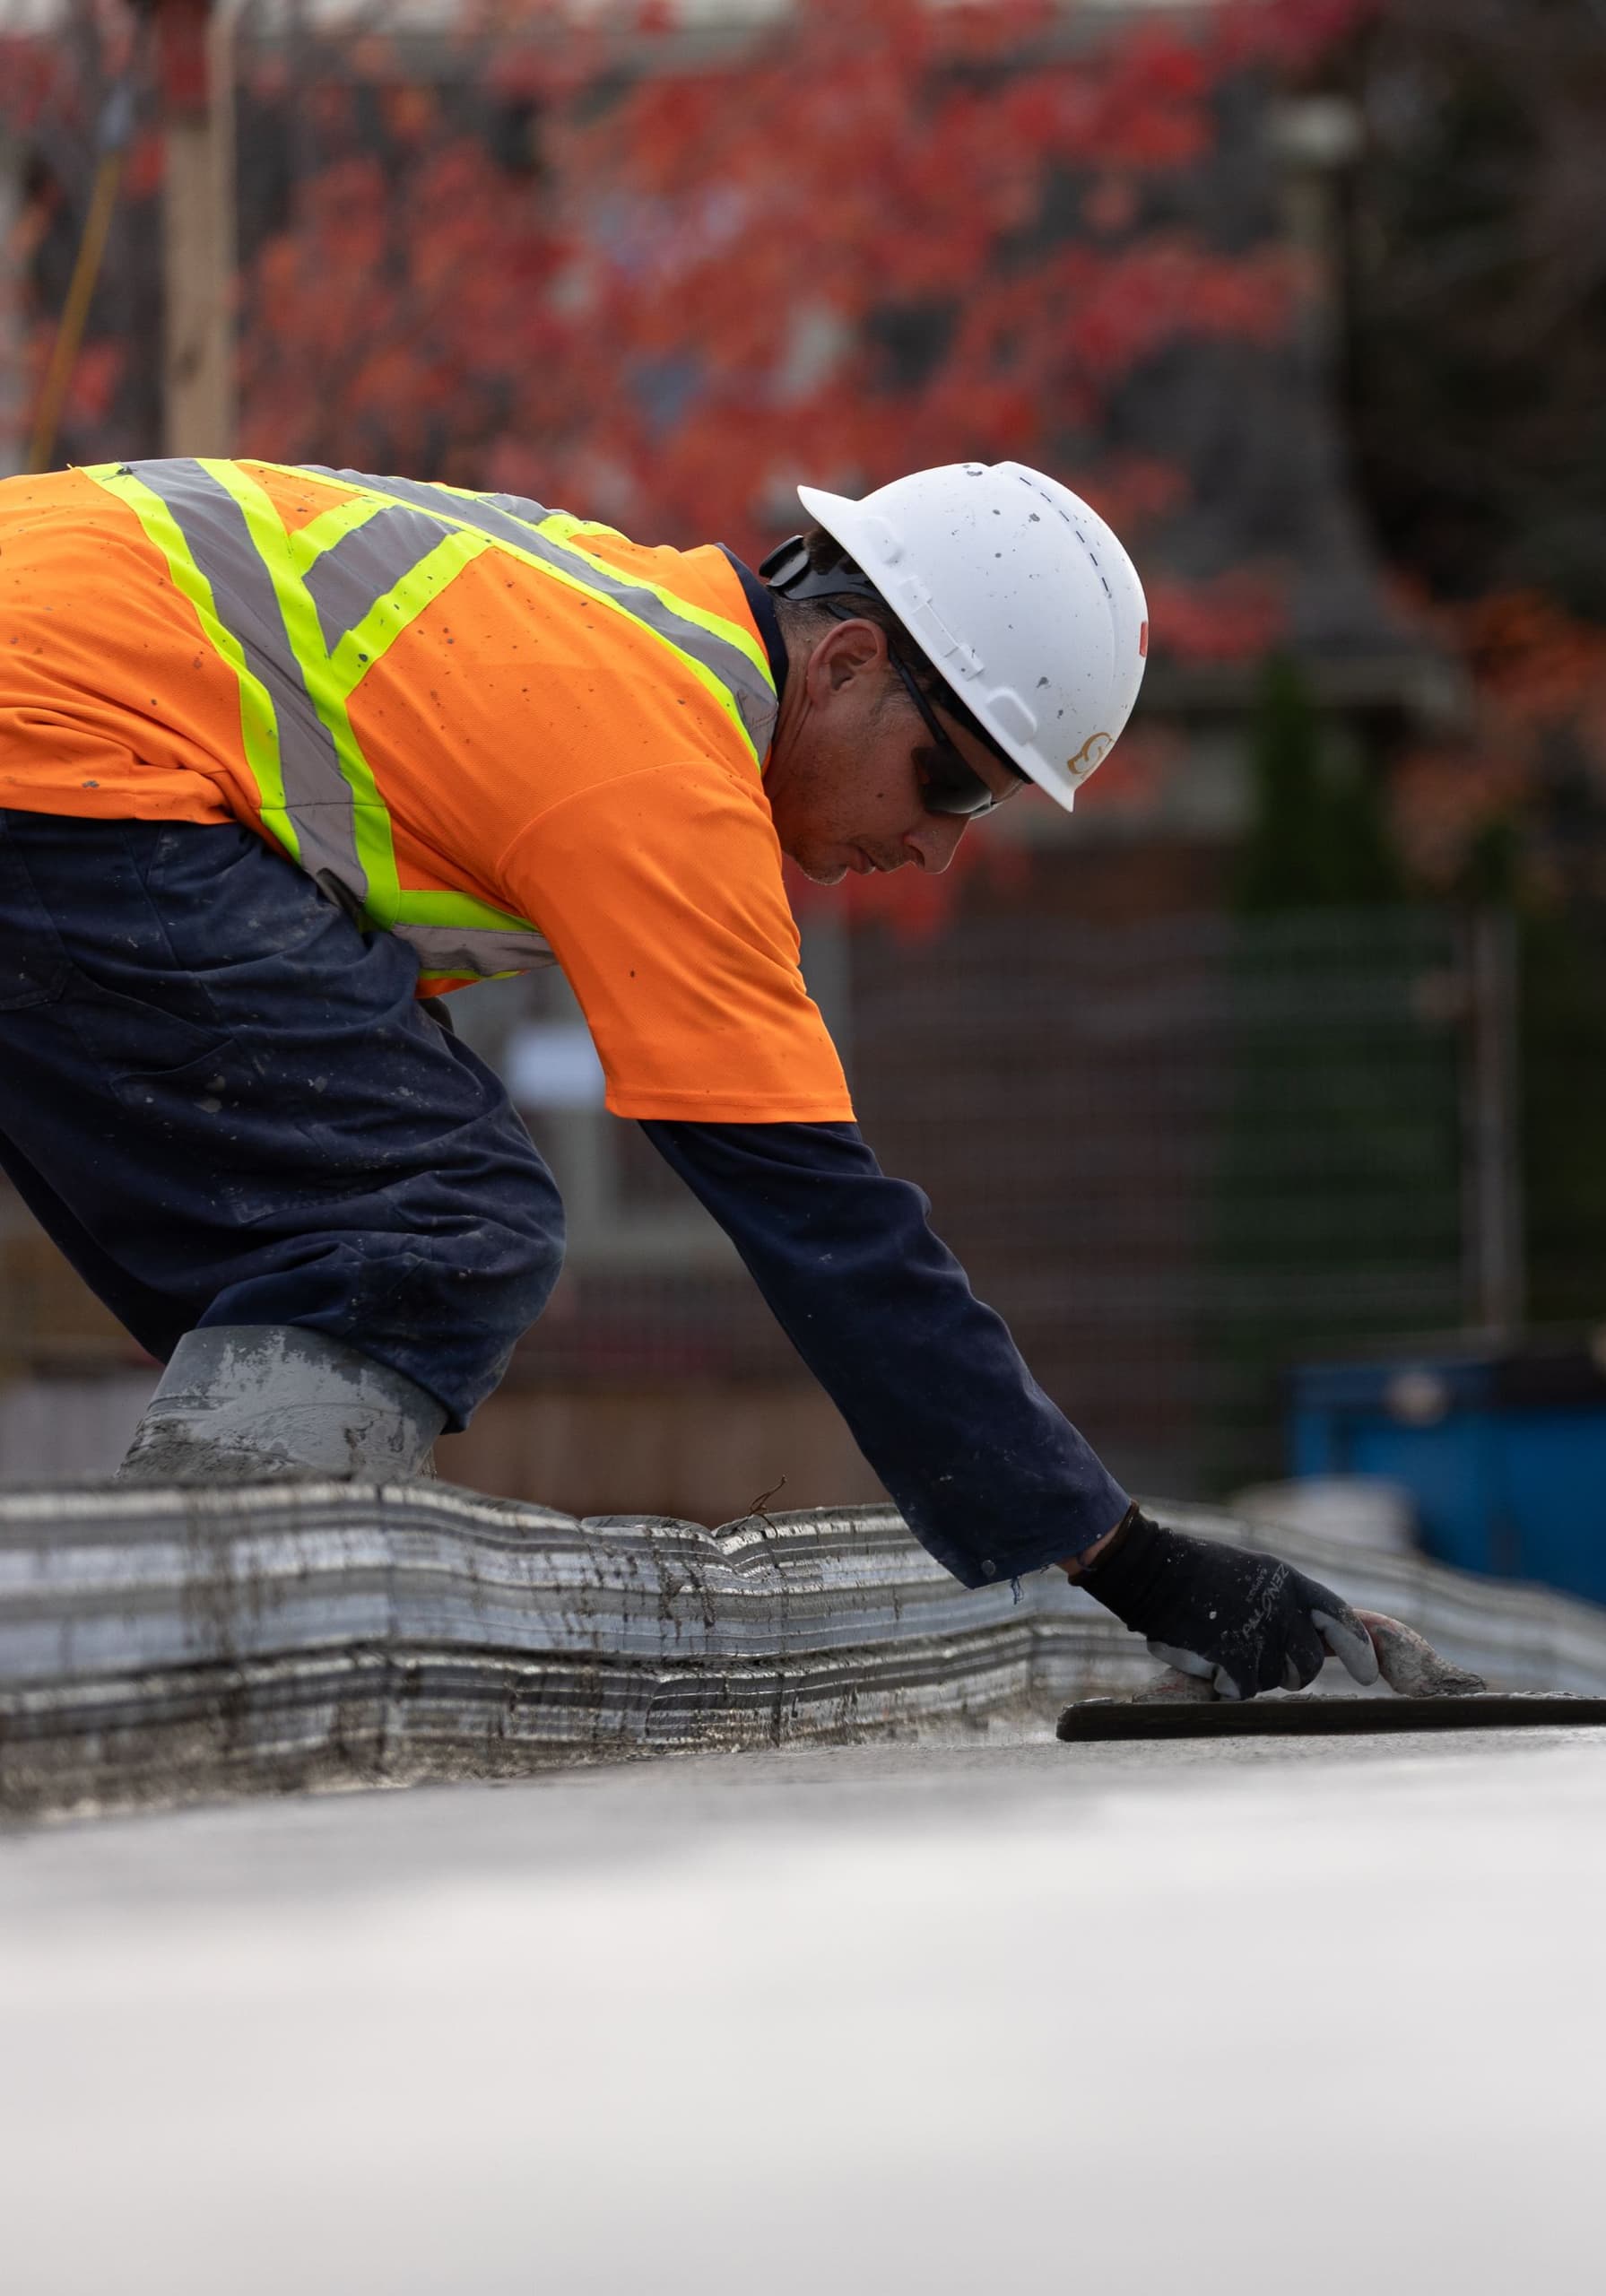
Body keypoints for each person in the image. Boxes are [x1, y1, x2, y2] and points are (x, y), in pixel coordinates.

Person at [0, 455, 1384, 1700]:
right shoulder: (663, 767)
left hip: (62, 730)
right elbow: (831, 1230)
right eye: (948, 783)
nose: (938, 851)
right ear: (845, 663)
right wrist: (1135, 1567)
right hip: (50, 740)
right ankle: (191, 1657)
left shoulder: (615, 623)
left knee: (296, 1228)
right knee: (415, 1223)